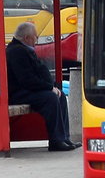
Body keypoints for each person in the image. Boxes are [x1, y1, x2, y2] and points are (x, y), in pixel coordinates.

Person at [7, 22, 81, 152]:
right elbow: (27, 80)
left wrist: (50, 87)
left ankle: (64, 138)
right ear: (27, 38)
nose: (36, 40)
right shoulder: (16, 52)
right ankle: (56, 141)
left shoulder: (24, 49)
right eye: (36, 37)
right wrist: (49, 87)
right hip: (19, 93)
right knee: (50, 98)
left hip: (28, 90)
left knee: (61, 96)